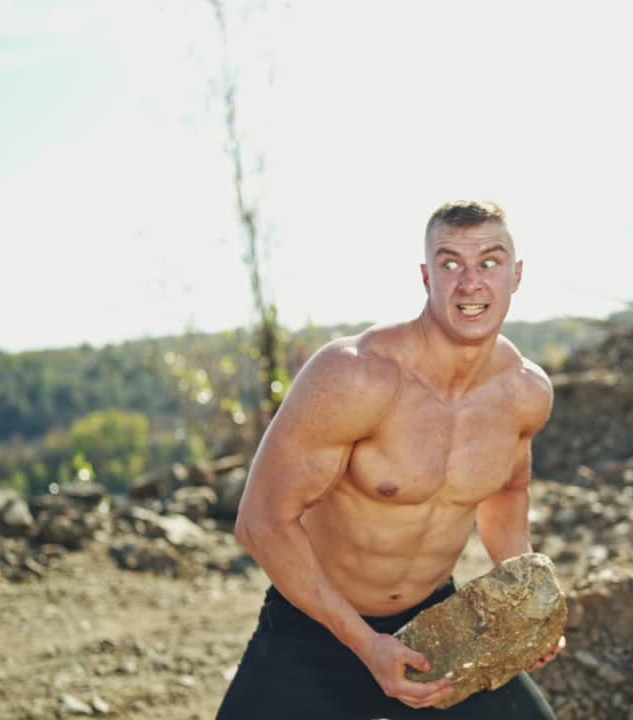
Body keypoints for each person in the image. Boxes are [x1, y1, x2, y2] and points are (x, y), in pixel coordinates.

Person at [216, 201, 562, 719]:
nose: (470, 284)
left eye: (489, 262)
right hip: (315, 625)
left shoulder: (525, 392)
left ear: (517, 275)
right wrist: (366, 645)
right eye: (450, 264)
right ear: (426, 277)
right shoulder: (356, 376)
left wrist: (526, 607)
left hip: (437, 627)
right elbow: (261, 522)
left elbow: (507, 495)